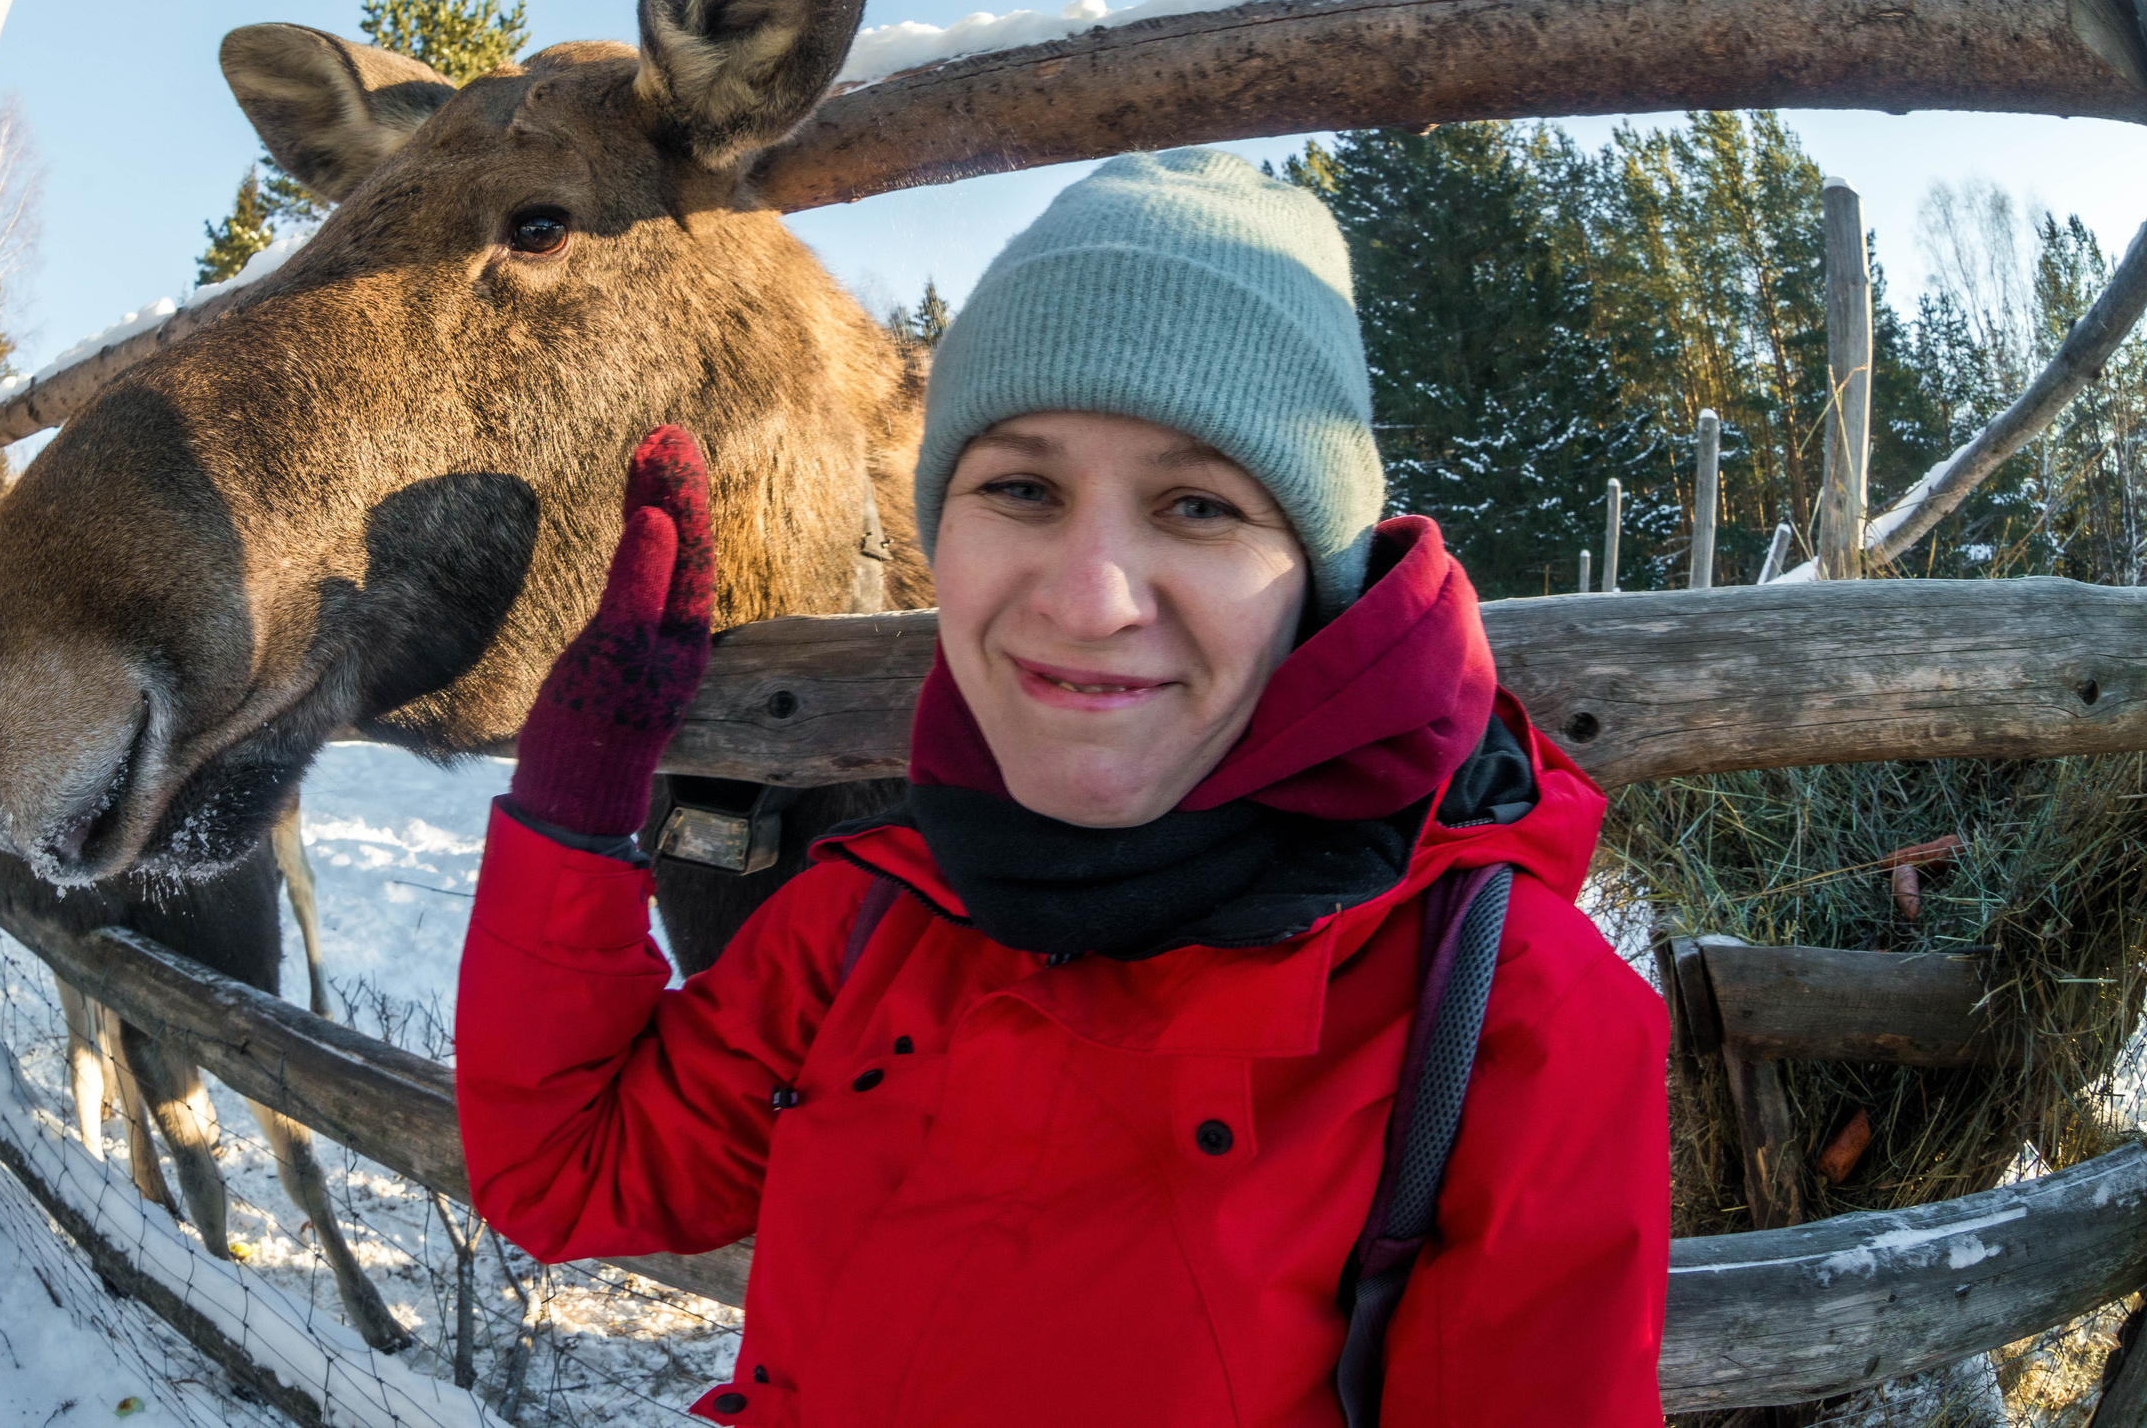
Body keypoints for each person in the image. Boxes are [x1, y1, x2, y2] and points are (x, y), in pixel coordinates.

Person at [453, 152, 1669, 1426]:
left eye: (1197, 504)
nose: (1089, 599)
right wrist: (580, 789)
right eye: (1020, 488)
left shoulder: (1506, 1014)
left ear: (1318, 575)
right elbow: (567, 1172)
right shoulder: (873, 915)